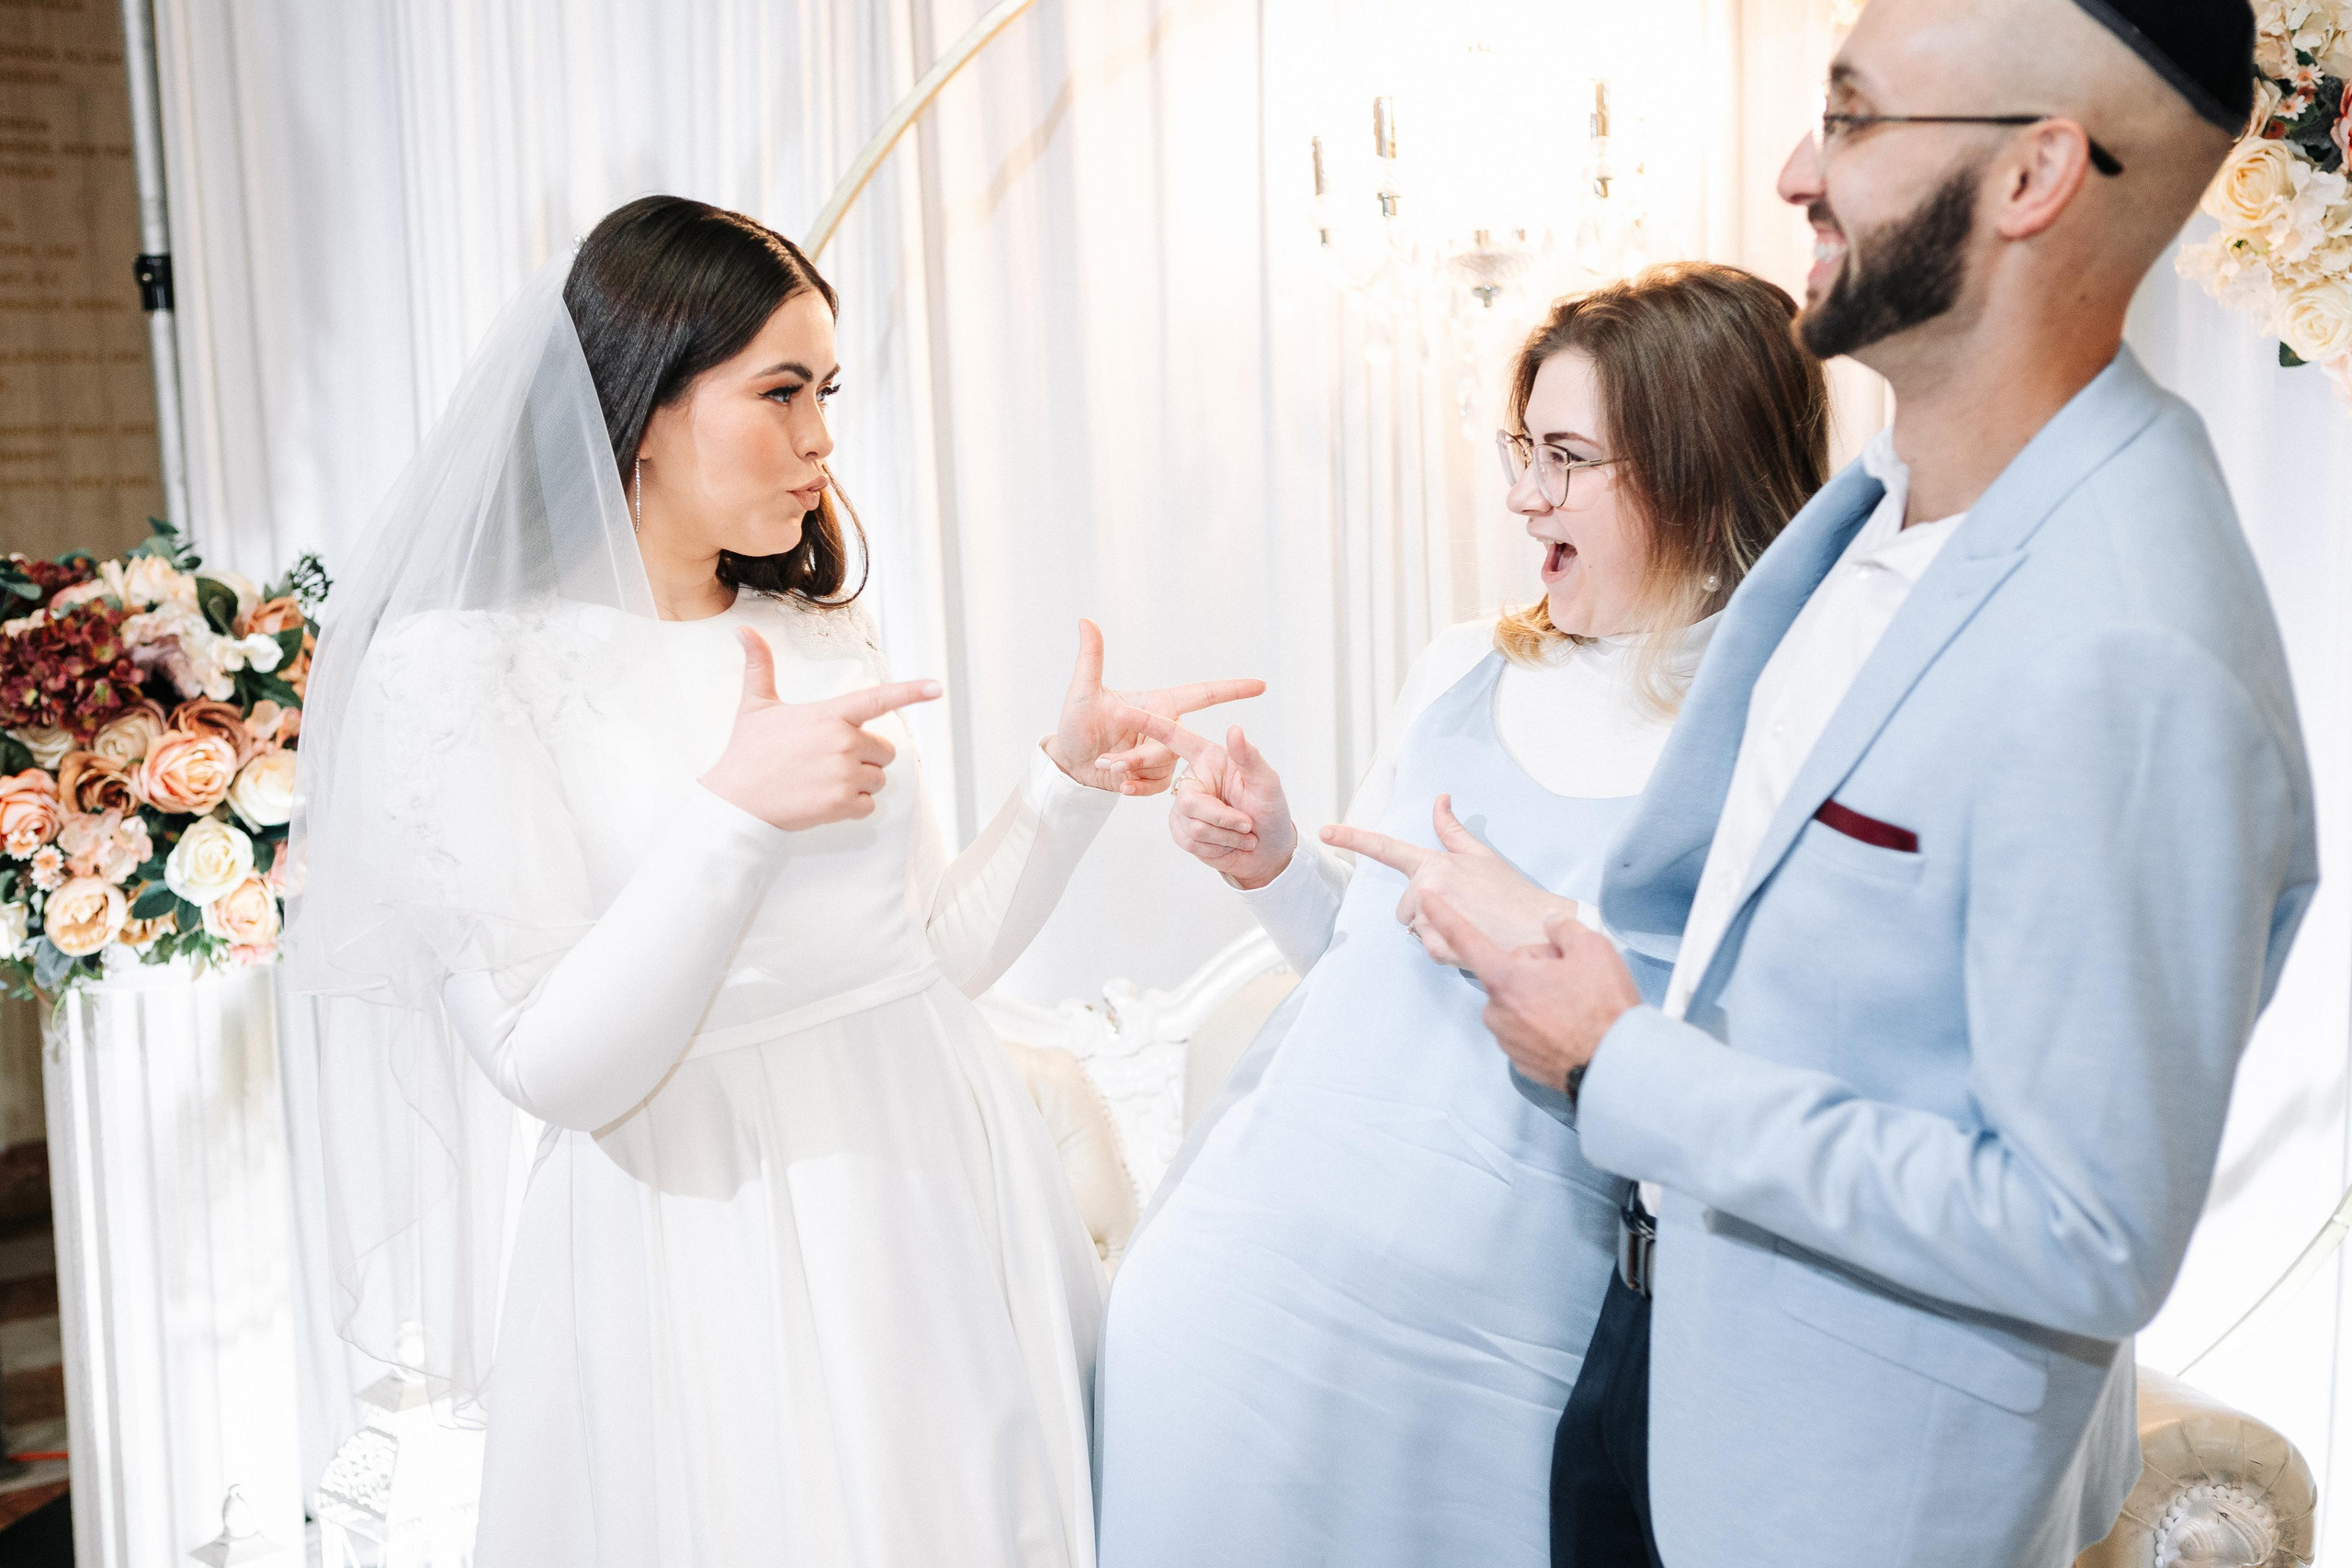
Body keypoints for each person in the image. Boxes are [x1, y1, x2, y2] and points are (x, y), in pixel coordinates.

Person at [1415, 3, 2320, 1565]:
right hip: (1665, 1388)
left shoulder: (2131, 640)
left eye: (1850, 118)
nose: (1788, 172)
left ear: (2035, 174)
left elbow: (2083, 1231)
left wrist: (1623, 1064)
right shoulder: (1878, 509)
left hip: (1849, 1505)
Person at [286, 196, 1263, 1566]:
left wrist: (1066, 783)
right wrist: (728, 820)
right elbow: (555, 1067)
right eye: (780, 391)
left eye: (830, 392)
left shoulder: (814, 631)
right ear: (642, 400)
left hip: (934, 1189)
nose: (819, 440)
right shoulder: (458, 672)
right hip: (699, 1239)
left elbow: (926, 955)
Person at [1087, 263, 1829, 1568]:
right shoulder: (1463, 661)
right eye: (1520, 448)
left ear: (1699, 462)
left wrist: (1549, 939)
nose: (1521, 495)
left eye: (1567, 457)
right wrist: (1273, 865)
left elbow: (1755, 1103)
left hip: (1496, 1355)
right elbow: (1365, 974)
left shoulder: (1783, 731)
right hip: (1244, 1272)